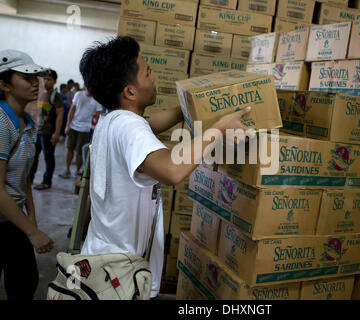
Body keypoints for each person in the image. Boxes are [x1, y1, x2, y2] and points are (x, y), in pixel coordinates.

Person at [79, 36, 250, 299]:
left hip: (102, 263)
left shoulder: (111, 120)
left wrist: (187, 108)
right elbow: (172, 170)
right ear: (130, 91)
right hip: (121, 280)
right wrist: (219, 129)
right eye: (147, 73)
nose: (153, 77)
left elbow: (152, 124)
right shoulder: (129, 126)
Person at [0, 49, 54, 300]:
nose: (35, 83)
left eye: (36, 77)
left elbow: (25, 177)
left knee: (24, 281)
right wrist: (32, 233)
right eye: (26, 78)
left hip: (13, 217)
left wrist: (31, 219)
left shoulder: (28, 123)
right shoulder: (2, 124)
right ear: (4, 84)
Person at [29, 69, 63, 190]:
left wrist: (57, 133)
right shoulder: (42, 94)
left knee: (48, 157)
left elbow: (60, 115)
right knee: (33, 156)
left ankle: (46, 182)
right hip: (39, 131)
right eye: (44, 79)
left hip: (49, 132)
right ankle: (30, 179)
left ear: (54, 81)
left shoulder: (56, 96)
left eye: (49, 79)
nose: (45, 81)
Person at [59, 87, 102, 178]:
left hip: (85, 129)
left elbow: (98, 117)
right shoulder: (78, 94)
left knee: (79, 151)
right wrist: (67, 125)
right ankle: (67, 170)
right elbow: (72, 110)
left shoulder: (96, 99)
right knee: (69, 148)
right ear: (85, 86)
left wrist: (95, 132)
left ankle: (78, 171)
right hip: (73, 126)